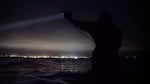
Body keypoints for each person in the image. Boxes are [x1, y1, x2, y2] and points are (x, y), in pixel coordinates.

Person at [63, 11, 122, 84]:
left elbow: (81, 24)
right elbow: (118, 44)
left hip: (100, 56)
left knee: (97, 74)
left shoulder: (97, 27)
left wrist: (69, 19)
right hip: (112, 57)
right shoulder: (117, 29)